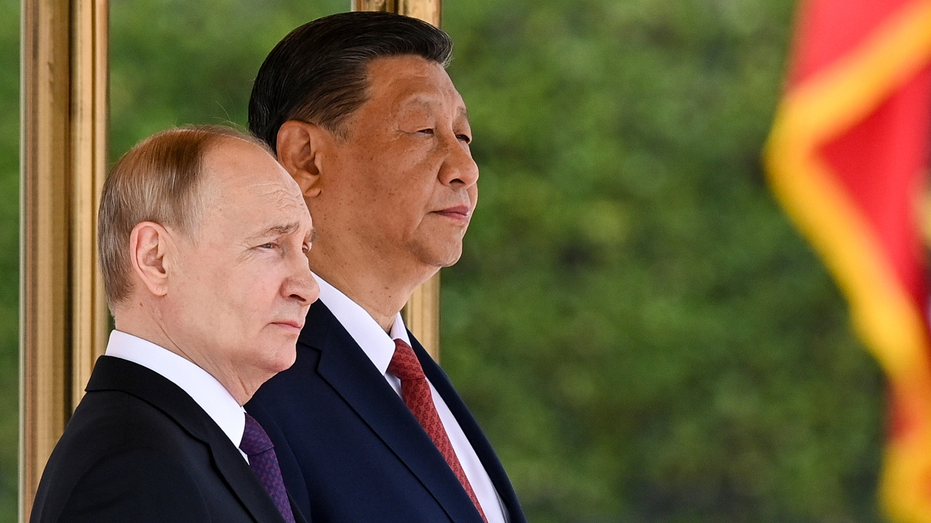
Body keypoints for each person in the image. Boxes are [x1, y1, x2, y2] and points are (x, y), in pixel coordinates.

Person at [246, 11, 526, 523]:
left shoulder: (412, 373)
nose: (465, 169)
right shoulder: (251, 388)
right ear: (306, 158)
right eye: (424, 130)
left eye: (464, 137)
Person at [30, 126, 318, 523]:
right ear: (156, 259)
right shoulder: (133, 469)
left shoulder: (181, 448)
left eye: (304, 248)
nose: (308, 288)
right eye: (269, 245)